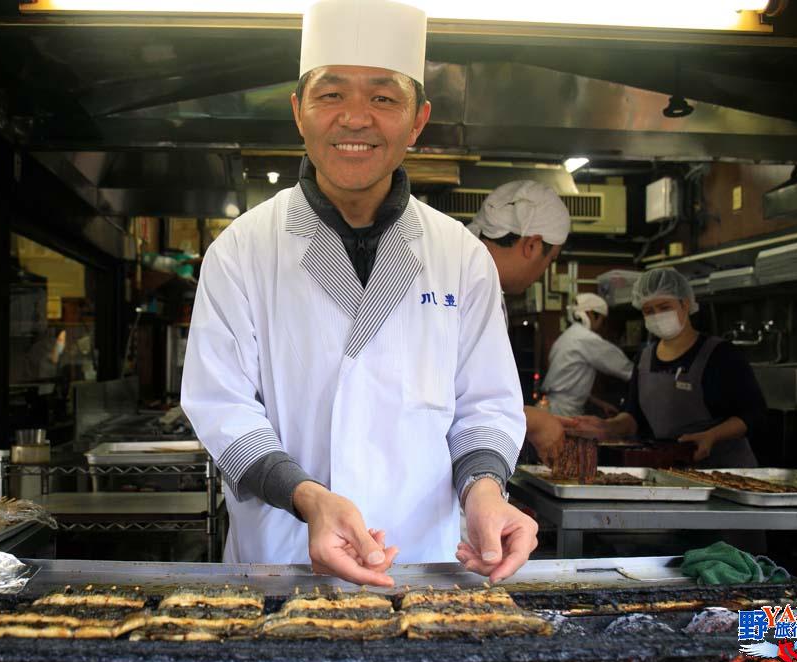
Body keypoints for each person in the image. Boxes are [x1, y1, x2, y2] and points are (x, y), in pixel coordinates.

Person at [182, 0, 535, 587]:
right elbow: (222, 409)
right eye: (331, 94)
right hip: (282, 559)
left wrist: (485, 491)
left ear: (418, 120)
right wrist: (309, 499)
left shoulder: (461, 256)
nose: (355, 118)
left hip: (426, 568)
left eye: (383, 97)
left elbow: (486, 407)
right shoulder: (241, 250)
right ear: (299, 111)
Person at [564, 268, 765, 467]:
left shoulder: (720, 354)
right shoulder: (644, 358)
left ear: (685, 304)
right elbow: (634, 417)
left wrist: (711, 436)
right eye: (648, 311)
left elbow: (753, 413)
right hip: (673, 471)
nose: (657, 316)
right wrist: (607, 427)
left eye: (664, 307)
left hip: (726, 473)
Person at [467, 180, 571, 466]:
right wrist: (533, 420)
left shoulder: (473, 273)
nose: (542, 272)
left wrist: (523, 413)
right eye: (549, 260)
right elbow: (448, 399)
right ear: (532, 245)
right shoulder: (467, 281)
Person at [540, 293, 634, 417]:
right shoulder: (587, 339)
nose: (600, 325)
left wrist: (600, 403)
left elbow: (569, 384)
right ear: (590, 314)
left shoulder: (566, 336)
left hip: (551, 406)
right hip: (565, 411)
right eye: (601, 319)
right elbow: (626, 369)